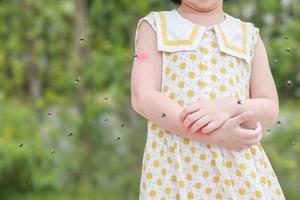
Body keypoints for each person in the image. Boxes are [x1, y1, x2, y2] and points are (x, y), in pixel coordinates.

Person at [130, 0, 286, 199]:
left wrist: (229, 106)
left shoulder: (248, 36)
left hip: (240, 175)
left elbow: (270, 107)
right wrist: (212, 135)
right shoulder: (155, 27)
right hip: (176, 174)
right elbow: (143, 97)